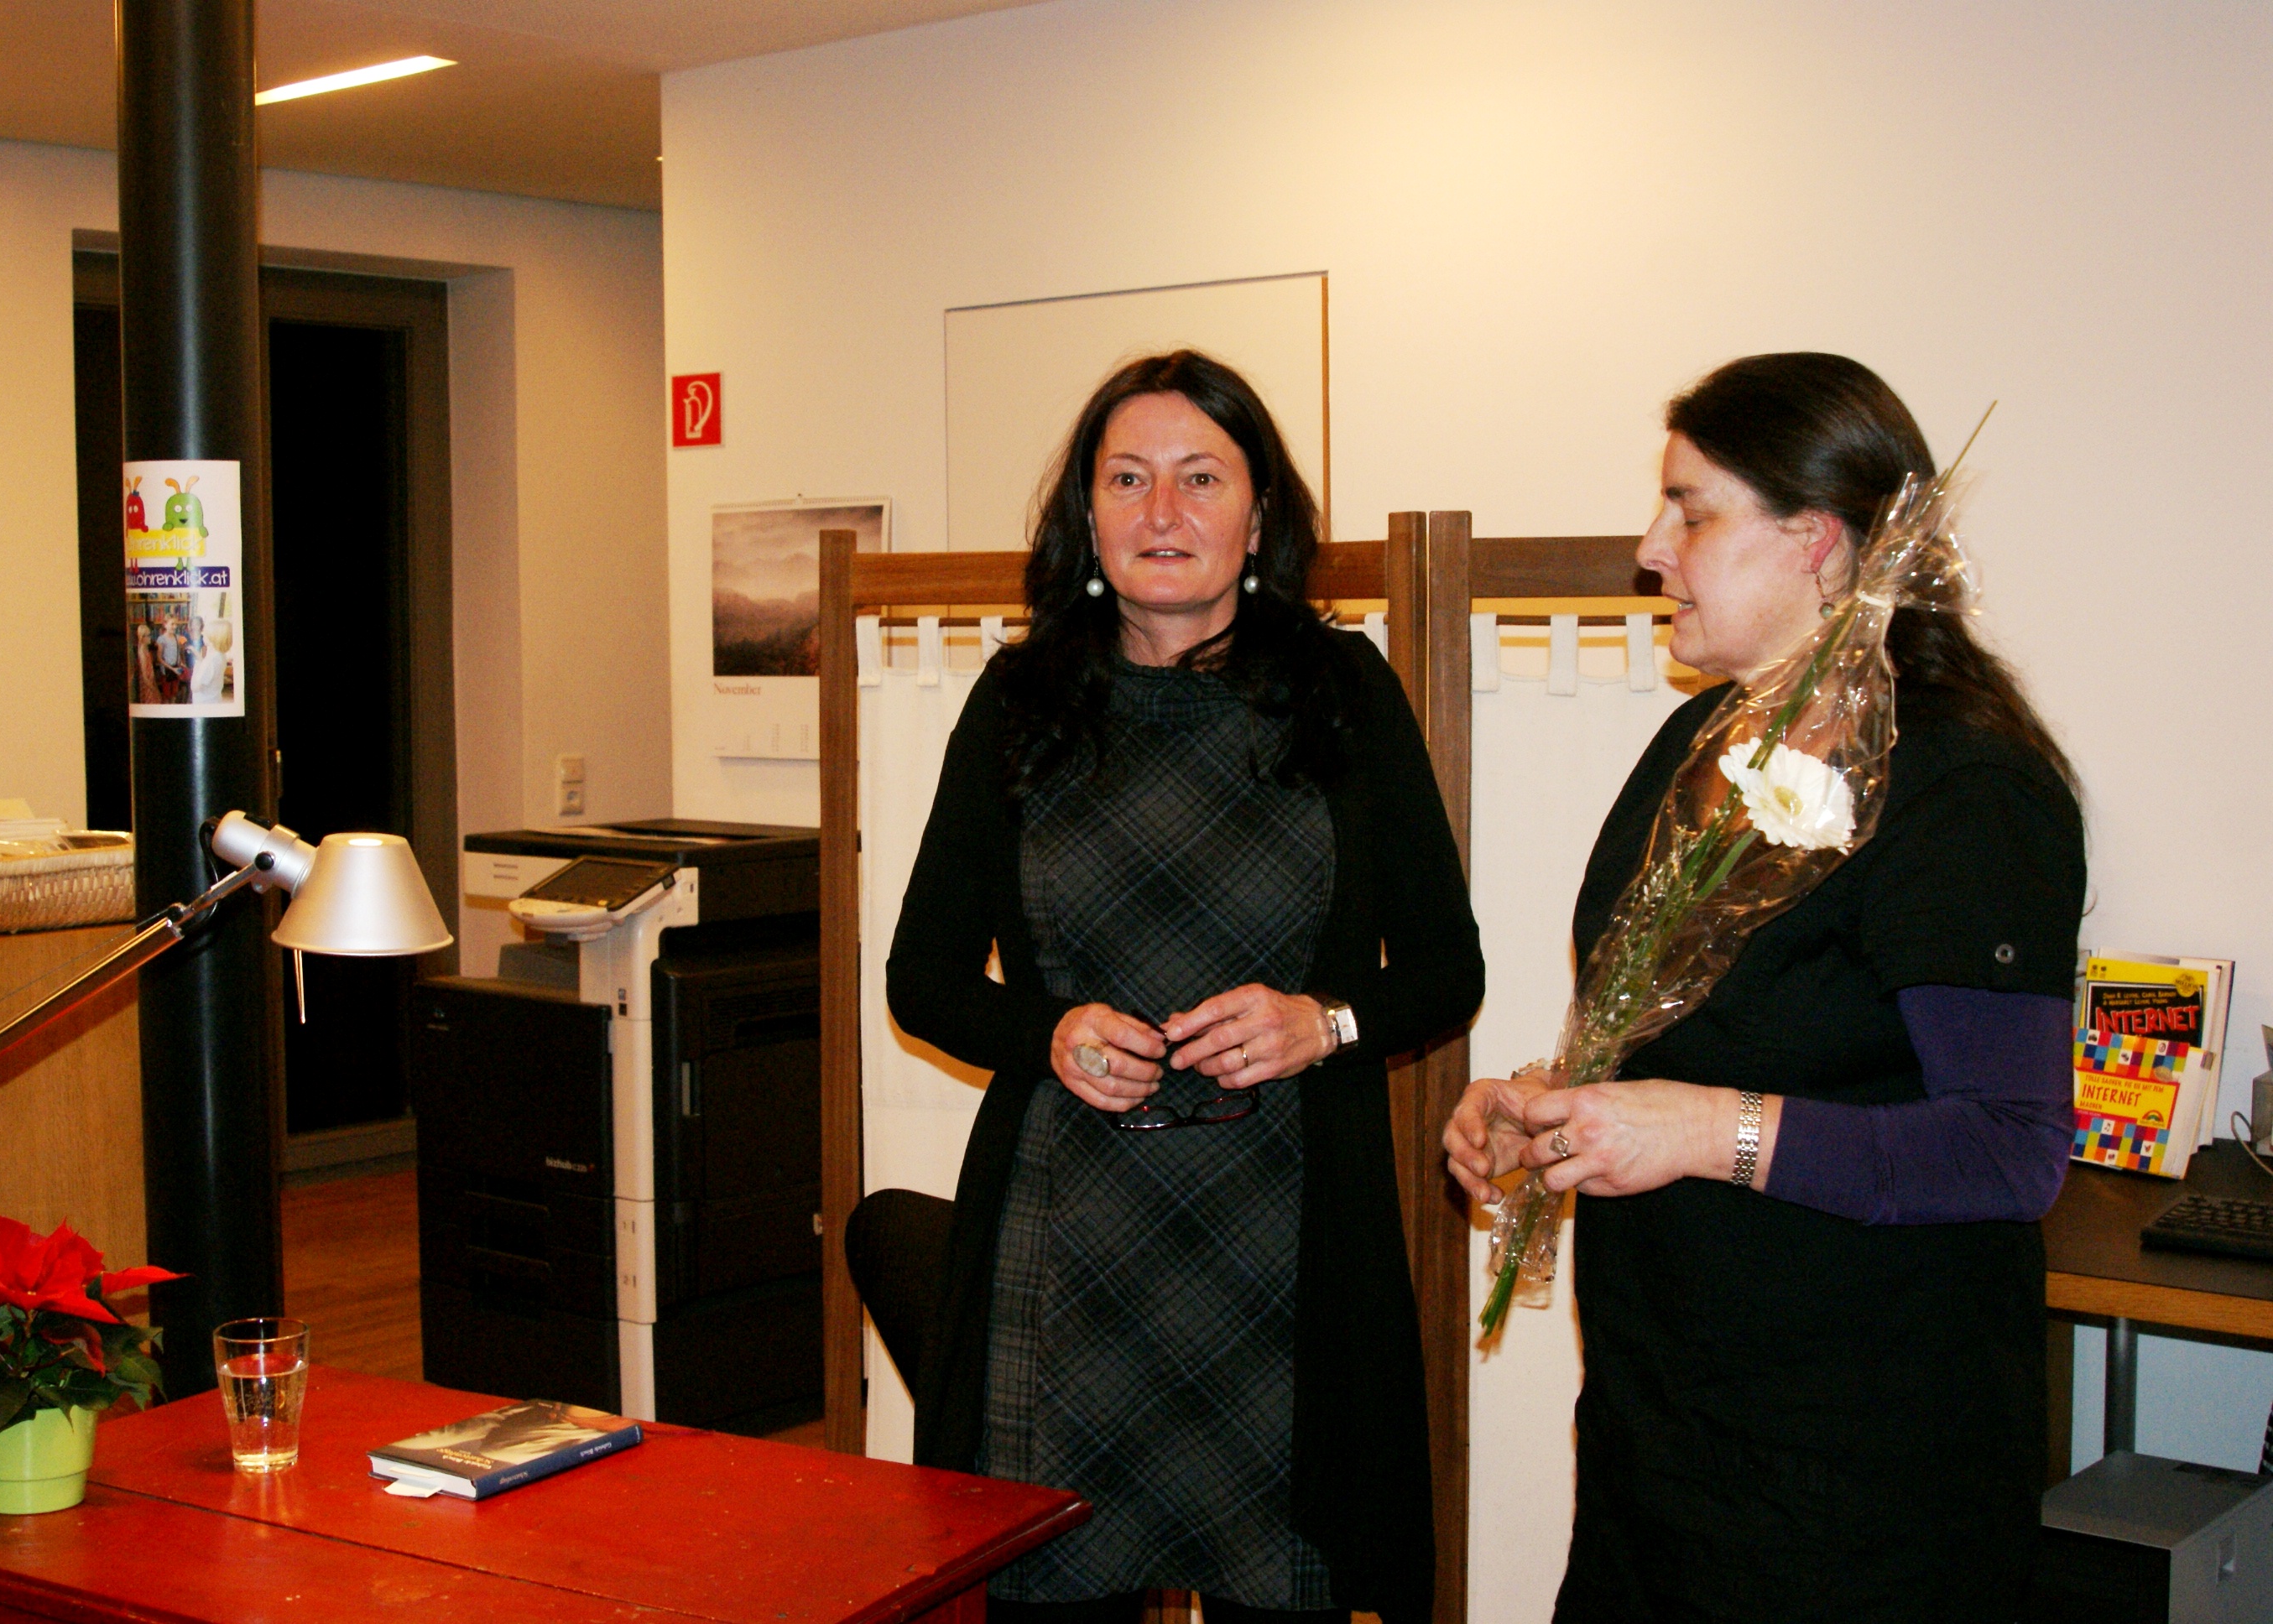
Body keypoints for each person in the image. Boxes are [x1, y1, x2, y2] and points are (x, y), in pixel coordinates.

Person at [1445, 353, 2084, 1623]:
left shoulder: (1966, 787)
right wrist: (1552, 1099)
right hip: (1663, 1431)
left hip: (1861, 1471)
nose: (1650, 550)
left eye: (1689, 511)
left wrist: (1697, 1132)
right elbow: (1697, 1027)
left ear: (1816, 541)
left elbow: (2011, 1151)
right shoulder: (1705, 742)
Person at [885, 351, 1482, 1624]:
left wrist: (1323, 1023)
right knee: (1051, 1585)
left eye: (1201, 478)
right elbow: (922, 978)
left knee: (1289, 1580)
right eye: (1129, 479)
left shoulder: (1344, 692)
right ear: (1087, 514)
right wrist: (1048, 1031)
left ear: (1259, 517)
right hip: (1067, 1248)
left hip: (1288, 1240)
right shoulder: (1018, 700)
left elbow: (1448, 968)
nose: (1164, 512)